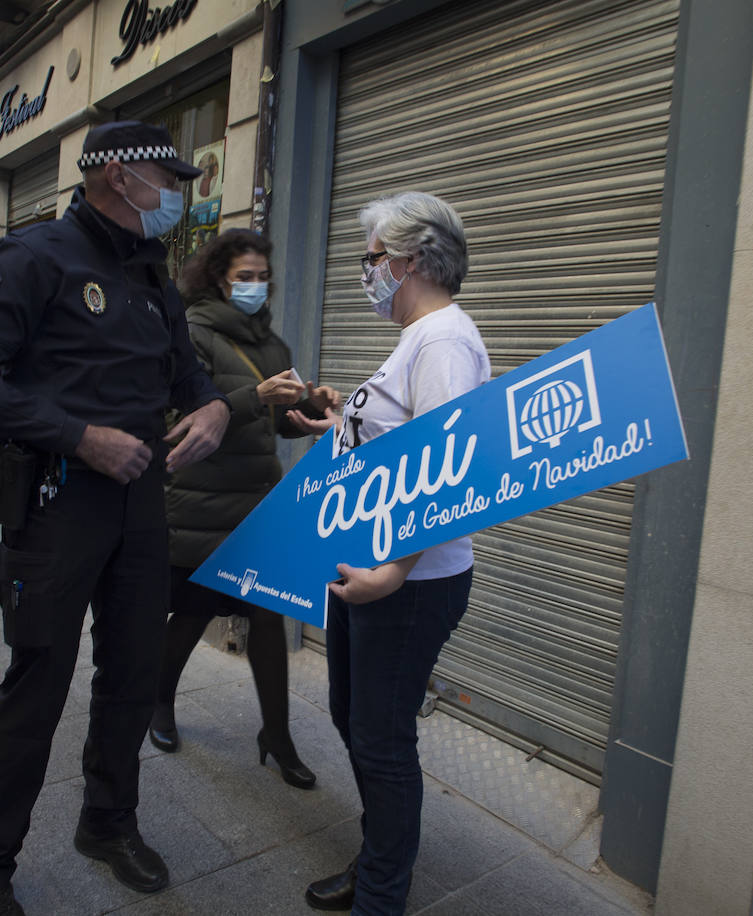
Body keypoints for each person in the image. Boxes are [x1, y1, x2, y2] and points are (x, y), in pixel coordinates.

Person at [0, 120, 230, 916]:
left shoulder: (152, 275)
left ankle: (108, 822)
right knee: (38, 684)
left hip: (139, 506)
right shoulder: (35, 258)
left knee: (132, 677)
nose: (175, 197)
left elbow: (188, 374)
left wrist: (211, 413)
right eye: (167, 182)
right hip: (58, 502)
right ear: (118, 178)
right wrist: (79, 437)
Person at [287, 192, 490, 914]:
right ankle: (379, 858)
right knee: (356, 720)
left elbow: (447, 470)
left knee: (381, 739)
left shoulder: (443, 342)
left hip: (408, 583)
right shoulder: (419, 339)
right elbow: (405, 446)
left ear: (408, 260)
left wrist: (392, 571)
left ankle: (380, 896)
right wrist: (344, 417)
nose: (366, 272)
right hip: (375, 570)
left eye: (371, 259)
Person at [150, 229, 340, 790]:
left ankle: (276, 735)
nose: (256, 287)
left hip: (258, 504)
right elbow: (177, 422)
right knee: (191, 612)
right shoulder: (192, 334)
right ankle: (159, 702)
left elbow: (280, 422)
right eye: (244, 278)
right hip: (199, 502)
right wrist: (253, 398)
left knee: (266, 615)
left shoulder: (271, 344)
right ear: (217, 279)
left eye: (262, 277)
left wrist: (311, 406)